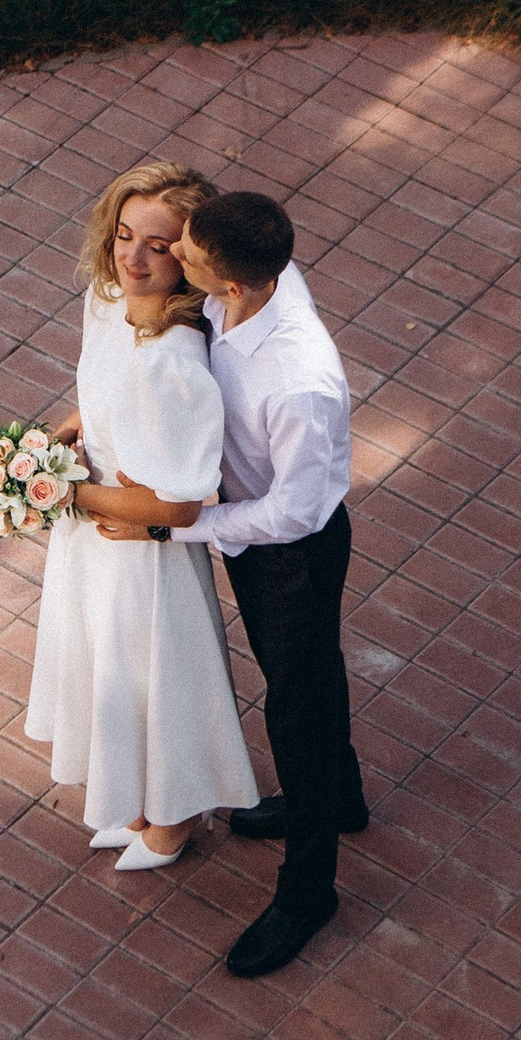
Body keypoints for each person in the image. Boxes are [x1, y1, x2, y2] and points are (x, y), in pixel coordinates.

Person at [81, 185, 363, 977]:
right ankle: (342, 798)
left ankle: (309, 892)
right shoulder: (248, 278)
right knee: (303, 677)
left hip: (290, 554)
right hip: (249, 534)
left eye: (185, 258)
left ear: (230, 284)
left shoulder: (300, 381)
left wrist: (177, 523)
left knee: (294, 713)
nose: (169, 265)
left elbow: (296, 511)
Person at [22, 161, 257, 868]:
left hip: (140, 548)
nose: (133, 257)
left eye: (158, 246)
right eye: (125, 236)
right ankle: (141, 799)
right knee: (109, 669)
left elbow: (178, 501)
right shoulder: (105, 299)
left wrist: (66, 492)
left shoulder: (177, 361)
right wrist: (63, 437)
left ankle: (176, 814)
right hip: (93, 538)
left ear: (188, 257)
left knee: (153, 677)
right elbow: (102, 391)